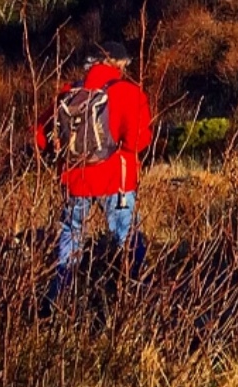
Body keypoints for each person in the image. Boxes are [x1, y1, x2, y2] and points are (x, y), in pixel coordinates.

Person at [36, 41, 152, 299]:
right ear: (119, 63)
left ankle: (58, 299)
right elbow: (137, 142)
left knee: (70, 236)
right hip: (116, 182)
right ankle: (139, 297)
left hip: (75, 180)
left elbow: (40, 136)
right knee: (127, 237)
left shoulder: (69, 91)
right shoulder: (128, 92)